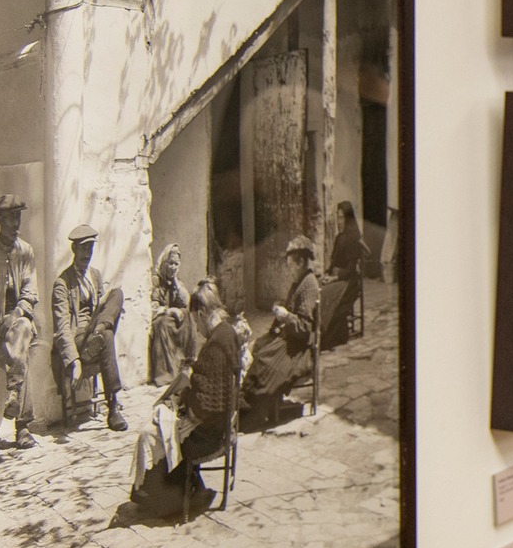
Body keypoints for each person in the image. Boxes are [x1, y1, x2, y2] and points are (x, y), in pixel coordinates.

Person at [131, 283, 248, 518]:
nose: (198, 330)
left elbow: (204, 405)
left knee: (154, 432)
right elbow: (213, 383)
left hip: (209, 435)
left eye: (195, 322)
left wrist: (183, 400)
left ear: (202, 313)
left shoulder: (216, 344)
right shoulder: (227, 333)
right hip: (222, 424)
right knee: (163, 424)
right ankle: (189, 489)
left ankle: (164, 497)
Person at [0, 192, 39, 449]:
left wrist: (14, 315)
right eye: (11, 218)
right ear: (0, 220)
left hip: (18, 322)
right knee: (20, 350)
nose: (16, 223)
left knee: (21, 330)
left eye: (18, 217)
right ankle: (23, 427)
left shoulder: (26, 252)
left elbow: (30, 293)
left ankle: (14, 393)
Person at [52, 223, 128, 431]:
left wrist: (103, 318)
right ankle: (113, 408)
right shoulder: (62, 283)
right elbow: (62, 327)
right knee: (107, 335)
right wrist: (74, 361)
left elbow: (103, 306)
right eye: (83, 248)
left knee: (117, 294)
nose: (87, 254)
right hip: (78, 339)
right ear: (74, 249)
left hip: (95, 331)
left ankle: (100, 332)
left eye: (90, 248)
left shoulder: (95, 275)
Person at [243, 234, 321, 426]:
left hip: (301, 350)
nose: (288, 270)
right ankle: (256, 404)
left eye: (291, 265)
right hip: (291, 340)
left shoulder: (309, 285)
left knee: (264, 361)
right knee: (258, 346)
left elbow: (305, 328)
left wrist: (286, 316)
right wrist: (281, 315)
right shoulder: (298, 282)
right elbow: (291, 312)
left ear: (301, 262)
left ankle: (257, 409)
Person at [322, 201, 366, 350]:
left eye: (341, 218)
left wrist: (334, 278)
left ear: (348, 219)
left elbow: (351, 270)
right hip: (337, 279)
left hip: (350, 282)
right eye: (337, 217)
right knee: (320, 289)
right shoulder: (339, 237)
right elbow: (334, 262)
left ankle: (328, 337)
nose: (339, 221)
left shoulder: (354, 239)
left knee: (327, 295)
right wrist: (327, 273)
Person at [147, 243, 192, 385]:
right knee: (162, 324)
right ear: (164, 263)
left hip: (174, 320)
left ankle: (186, 365)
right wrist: (168, 310)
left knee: (189, 317)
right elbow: (153, 306)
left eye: (176, 264)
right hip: (161, 319)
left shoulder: (176, 282)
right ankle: (165, 374)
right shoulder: (157, 281)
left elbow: (186, 301)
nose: (173, 267)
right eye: (170, 263)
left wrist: (176, 283)